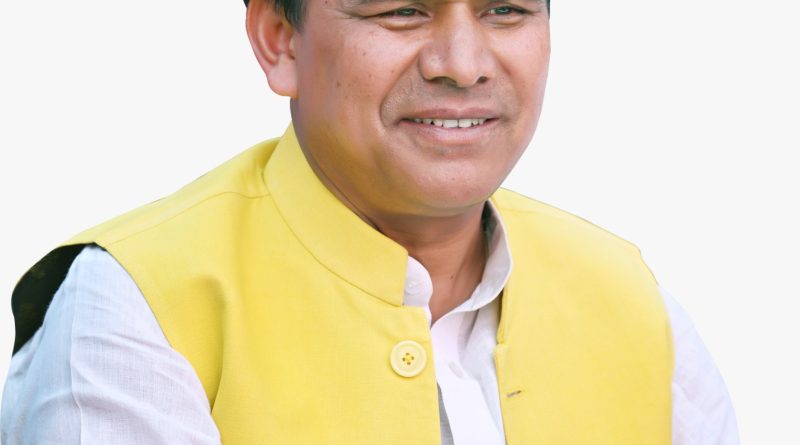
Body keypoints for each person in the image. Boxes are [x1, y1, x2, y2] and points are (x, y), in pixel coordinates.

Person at [1, 0, 739, 443]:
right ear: (279, 39)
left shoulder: (631, 298)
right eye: (402, 10)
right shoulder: (135, 307)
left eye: (506, 9)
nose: (463, 63)